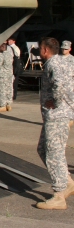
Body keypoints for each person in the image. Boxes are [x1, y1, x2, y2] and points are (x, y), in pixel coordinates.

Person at [35, 37, 74, 210]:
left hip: (57, 115)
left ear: (45, 50)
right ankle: (68, 182)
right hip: (56, 115)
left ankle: (59, 195)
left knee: (53, 153)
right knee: (43, 149)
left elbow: (59, 84)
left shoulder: (52, 64)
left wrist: (56, 103)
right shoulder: (62, 61)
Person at [0, 43, 14, 112]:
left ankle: (2, 106)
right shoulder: (10, 55)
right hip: (9, 74)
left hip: (2, 75)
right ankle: (9, 104)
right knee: (9, 89)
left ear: (3, 47)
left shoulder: (1, 55)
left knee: (1, 90)